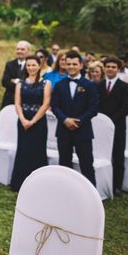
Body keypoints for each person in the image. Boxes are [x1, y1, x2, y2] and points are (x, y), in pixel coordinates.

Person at [51, 50, 99, 187]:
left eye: (74, 64)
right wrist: (65, 119)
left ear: (80, 65)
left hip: (83, 131)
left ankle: (91, 197)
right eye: (68, 64)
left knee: (86, 164)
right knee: (64, 164)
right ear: (65, 65)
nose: (71, 66)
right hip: (63, 130)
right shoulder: (60, 85)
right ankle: (66, 191)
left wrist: (78, 121)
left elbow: (93, 108)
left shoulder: (89, 85)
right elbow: (55, 106)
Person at [10, 56, 51, 191]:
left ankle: (39, 184)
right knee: (23, 150)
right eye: (28, 65)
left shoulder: (46, 83)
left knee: (37, 150)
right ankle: (19, 182)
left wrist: (32, 121)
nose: (31, 68)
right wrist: (23, 119)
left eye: (34, 65)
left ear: (39, 66)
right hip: (23, 120)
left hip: (38, 121)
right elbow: (17, 103)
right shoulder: (20, 83)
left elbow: (46, 104)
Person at [97, 57, 128, 197]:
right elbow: (96, 104)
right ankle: (101, 183)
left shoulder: (124, 87)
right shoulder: (98, 85)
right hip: (100, 128)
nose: (110, 69)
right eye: (108, 66)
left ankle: (117, 186)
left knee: (117, 156)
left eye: (113, 67)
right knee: (101, 155)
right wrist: (101, 122)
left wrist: (110, 122)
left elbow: (125, 108)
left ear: (118, 69)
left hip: (117, 126)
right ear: (104, 68)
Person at [0, 40, 32, 108]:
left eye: (22, 49)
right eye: (18, 49)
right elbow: (4, 82)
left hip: (25, 100)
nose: (19, 51)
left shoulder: (32, 65)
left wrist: (15, 81)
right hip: (9, 100)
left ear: (28, 51)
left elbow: (31, 83)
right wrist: (22, 83)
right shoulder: (10, 64)